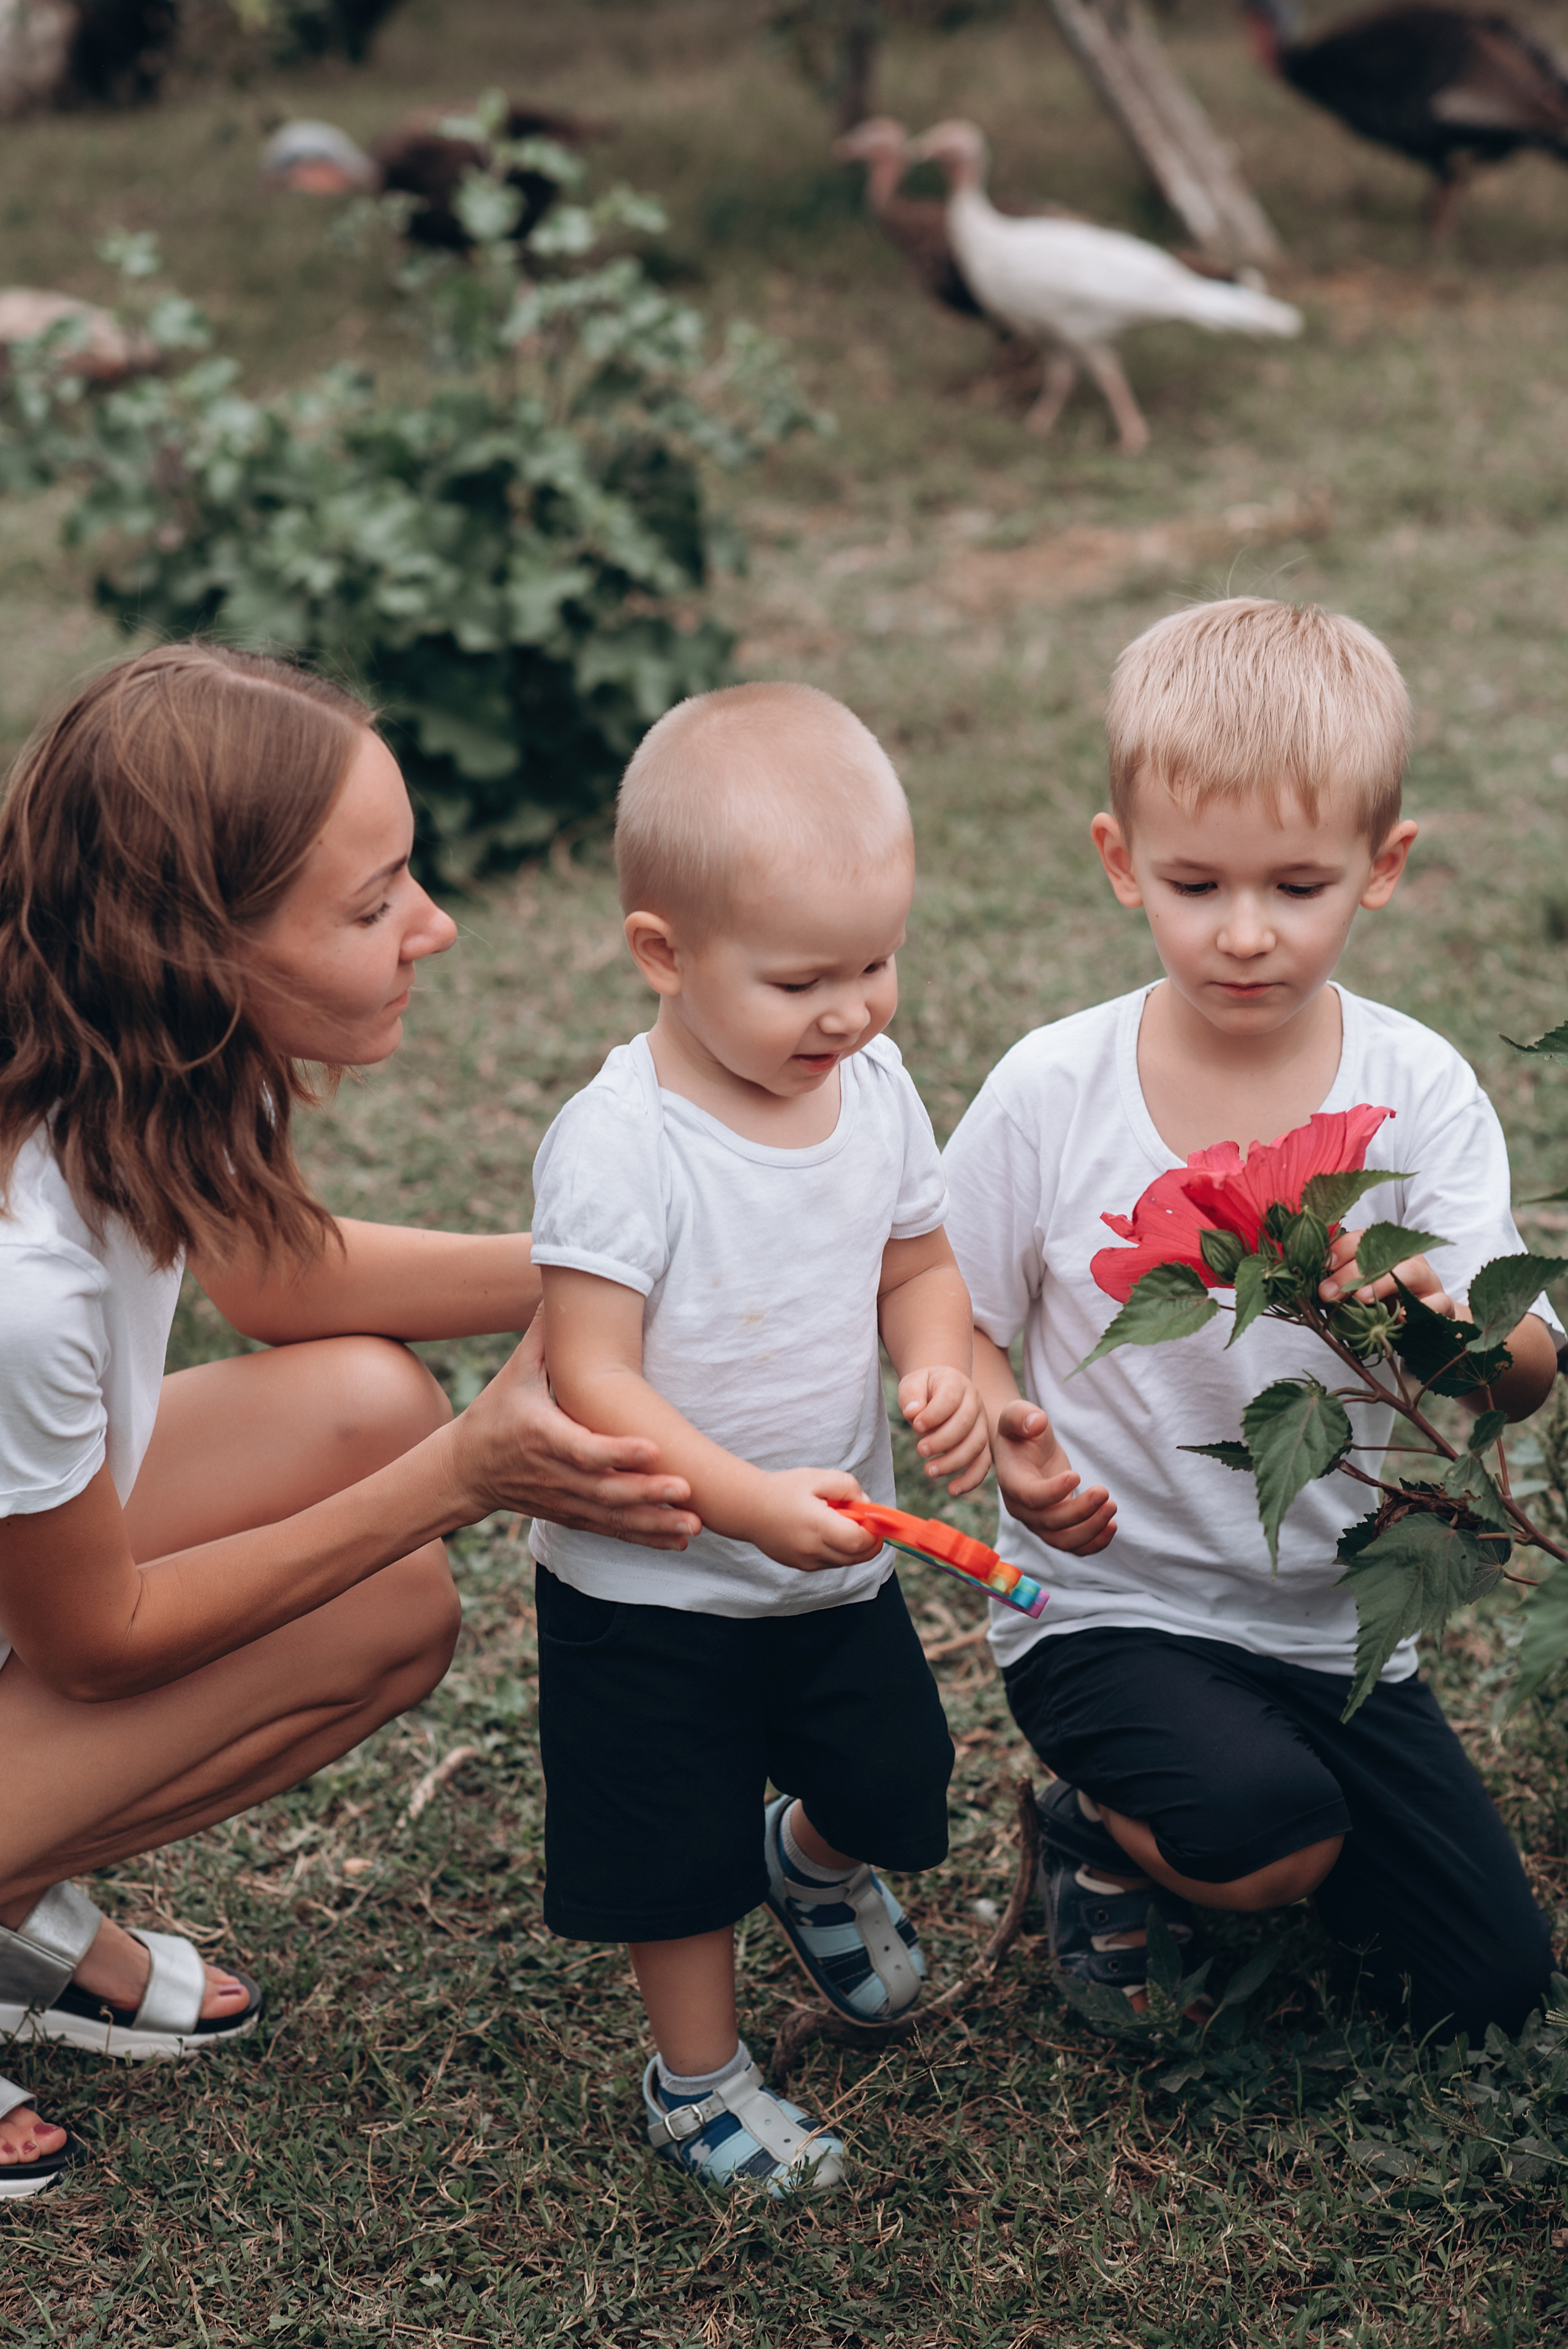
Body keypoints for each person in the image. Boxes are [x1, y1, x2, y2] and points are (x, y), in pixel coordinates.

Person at [0, 645, 701, 2199]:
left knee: (366, 1428)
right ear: (196, 944)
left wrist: (619, 1261)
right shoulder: (19, 1282)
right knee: (381, 1560)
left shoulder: (146, 1043)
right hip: (56, 1616)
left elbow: (273, 1277)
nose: (433, 926)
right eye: (374, 904)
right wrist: (462, 1474)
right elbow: (93, 1645)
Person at [943, 597, 1558, 2040]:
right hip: (1107, 1608)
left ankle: (1256, 1816)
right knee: (1267, 1836)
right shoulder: (1051, 1090)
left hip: (1327, 1631)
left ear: (1380, 867)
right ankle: (1097, 1831)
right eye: (1192, 882)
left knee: (1485, 1986)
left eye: (1295, 885)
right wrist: (1004, 1430)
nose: (1240, 933)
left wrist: (1438, 1325)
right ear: (1119, 862)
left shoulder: (1416, 1088)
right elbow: (949, 1310)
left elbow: (1522, 1378)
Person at [530, 681, 989, 2195]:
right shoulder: (622, 1145)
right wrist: (739, 1502)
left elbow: (917, 1264)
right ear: (662, 953)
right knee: (676, 1860)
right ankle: (698, 2081)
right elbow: (590, 1374)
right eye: (800, 980)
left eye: (875, 962)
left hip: (830, 1563)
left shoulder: (871, 1087)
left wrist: (935, 1366)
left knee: (895, 1778)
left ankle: (812, 1862)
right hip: (650, 1583)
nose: (848, 1011)